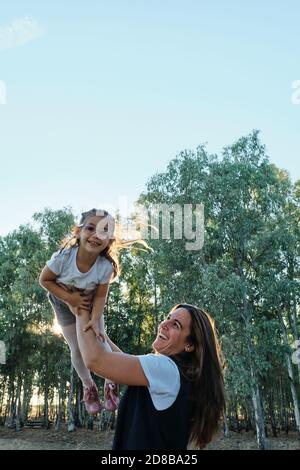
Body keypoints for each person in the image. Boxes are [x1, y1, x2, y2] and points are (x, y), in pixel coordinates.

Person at [75, 302, 226, 450]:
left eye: (176, 325)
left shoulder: (167, 369)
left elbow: (96, 360)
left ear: (190, 345)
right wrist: (96, 322)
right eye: (168, 318)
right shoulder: (177, 374)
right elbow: (118, 359)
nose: (164, 324)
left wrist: (79, 307)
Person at [39, 209, 124, 414]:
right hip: (62, 300)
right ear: (78, 232)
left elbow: (101, 296)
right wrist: (70, 299)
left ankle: (111, 382)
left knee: (99, 340)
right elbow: (45, 280)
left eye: (104, 231)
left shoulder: (104, 267)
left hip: (89, 301)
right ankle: (88, 386)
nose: (96, 235)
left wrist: (95, 320)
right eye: (90, 228)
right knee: (76, 348)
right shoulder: (63, 258)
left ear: (110, 240)